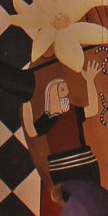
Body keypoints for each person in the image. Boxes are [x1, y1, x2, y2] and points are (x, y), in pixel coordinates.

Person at [21, 57, 101, 198]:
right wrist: (26, 105)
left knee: (94, 199)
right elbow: (32, 131)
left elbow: (93, 109)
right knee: (76, 202)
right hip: (63, 168)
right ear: (55, 93)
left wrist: (90, 81)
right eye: (63, 89)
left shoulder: (72, 111)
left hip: (84, 162)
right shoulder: (49, 118)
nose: (67, 92)